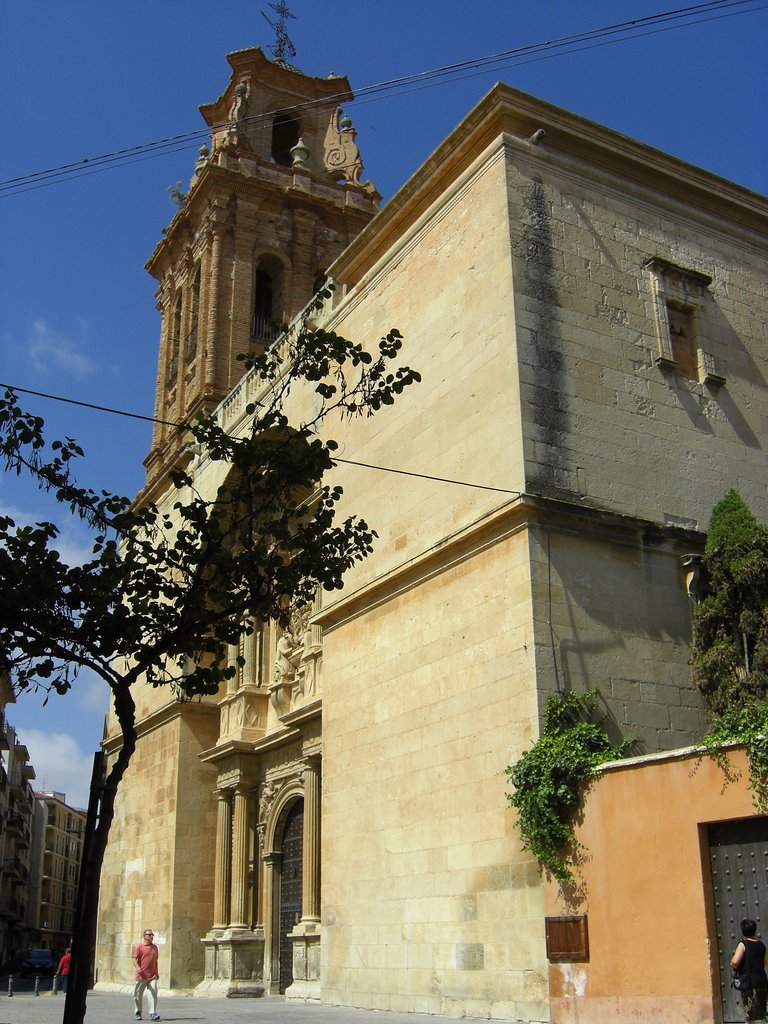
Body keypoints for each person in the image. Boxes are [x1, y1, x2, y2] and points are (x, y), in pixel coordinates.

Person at [731, 918, 768, 1022]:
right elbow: (765, 963)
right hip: (761, 981)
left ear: (743, 931)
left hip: (749, 983)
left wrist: (733, 965)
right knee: (762, 1011)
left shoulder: (743, 944)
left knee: (750, 1013)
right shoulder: (761, 945)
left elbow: (735, 961)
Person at [131, 929, 160, 1021]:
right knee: (138, 994)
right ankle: (138, 1012)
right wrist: (138, 968)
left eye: (152, 935)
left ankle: (152, 1013)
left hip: (152, 975)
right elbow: (134, 958)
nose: (152, 936)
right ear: (145, 936)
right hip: (142, 975)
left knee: (153, 992)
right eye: (150, 934)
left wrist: (157, 972)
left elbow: (155, 961)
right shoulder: (139, 947)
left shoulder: (155, 947)